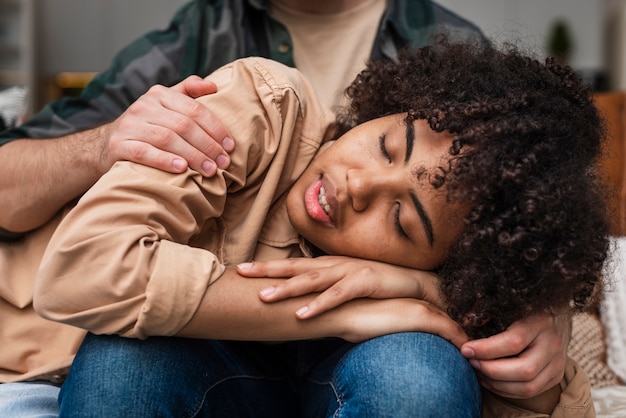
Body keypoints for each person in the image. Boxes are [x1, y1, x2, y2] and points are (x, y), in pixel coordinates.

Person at [0, 0, 572, 414]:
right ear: (386, 106)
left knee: (416, 379)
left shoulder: (455, 50)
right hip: (185, 343)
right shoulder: (222, 53)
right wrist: (101, 146)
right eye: (384, 145)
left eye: (400, 220)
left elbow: (517, 220)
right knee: (120, 368)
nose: (358, 185)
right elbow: (80, 265)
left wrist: (535, 311)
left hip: (357, 360)